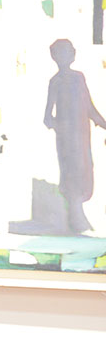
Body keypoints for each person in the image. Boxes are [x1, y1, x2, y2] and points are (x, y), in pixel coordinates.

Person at [43, 38, 106, 234]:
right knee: (72, 174)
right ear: (55, 56)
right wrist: (62, 128)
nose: (69, 55)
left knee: (85, 171)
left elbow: (89, 107)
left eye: (70, 51)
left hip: (82, 137)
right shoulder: (55, 82)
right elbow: (47, 117)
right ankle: (77, 220)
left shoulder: (79, 78)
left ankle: (79, 219)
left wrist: (103, 124)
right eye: (63, 52)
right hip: (67, 141)